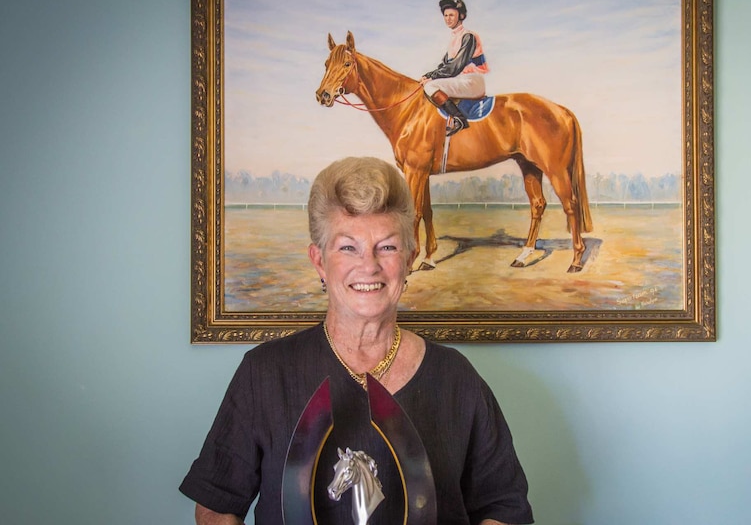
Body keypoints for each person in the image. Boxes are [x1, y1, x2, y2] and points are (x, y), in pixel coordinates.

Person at [179, 156, 533, 525]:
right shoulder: (265, 373)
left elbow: (504, 508)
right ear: (319, 260)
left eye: (388, 247)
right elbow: (216, 504)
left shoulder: (456, 378)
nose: (369, 266)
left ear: (410, 258)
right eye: (348, 247)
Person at [420, 0, 489, 136]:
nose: (448, 18)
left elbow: (454, 67)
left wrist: (431, 78)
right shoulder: (454, 39)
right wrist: (427, 75)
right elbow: (444, 65)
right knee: (428, 83)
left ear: (461, 15)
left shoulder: (468, 36)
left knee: (430, 86)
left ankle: (460, 119)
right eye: (445, 15)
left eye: (451, 15)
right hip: (462, 80)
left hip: (472, 81)